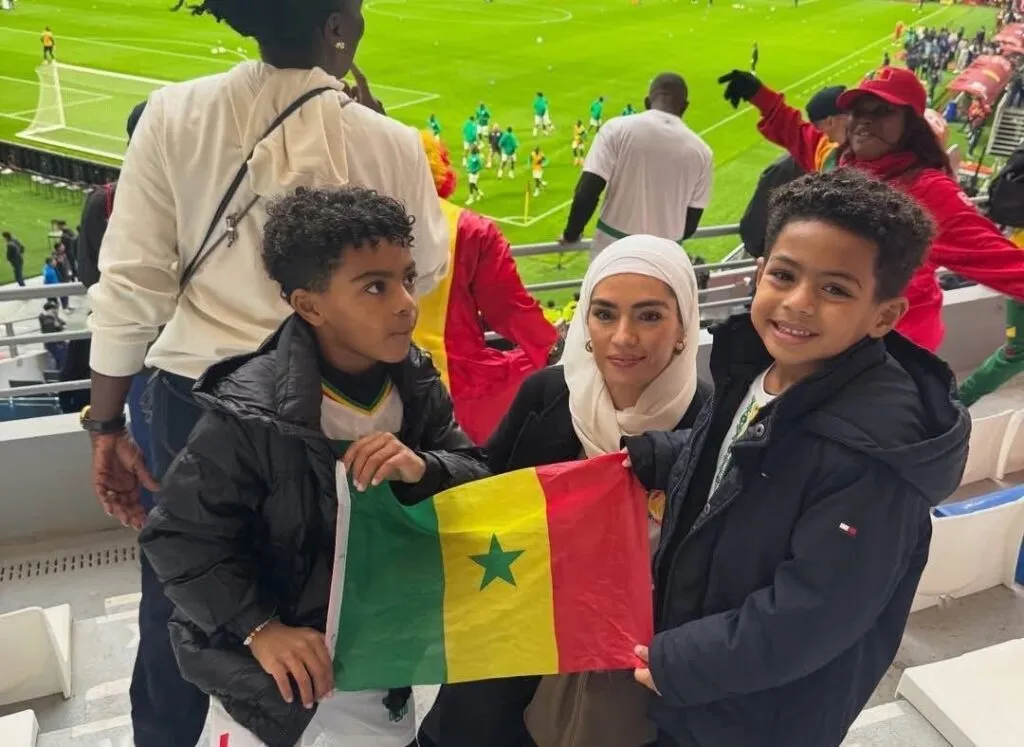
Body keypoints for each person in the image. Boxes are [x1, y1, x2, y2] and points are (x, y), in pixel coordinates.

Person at [83, 2, 450, 745]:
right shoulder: (386, 138)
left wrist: (106, 422)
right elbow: (430, 266)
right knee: (335, 591)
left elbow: (131, 287)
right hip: (343, 408)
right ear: (337, 27)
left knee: (183, 604)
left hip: (194, 405)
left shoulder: (173, 113)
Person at [624, 170, 969, 747]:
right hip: (707, 687)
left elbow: (815, 612)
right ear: (759, 273)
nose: (799, 303)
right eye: (784, 275)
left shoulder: (871, 455)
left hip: (765, 716)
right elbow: (740, 459)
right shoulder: (760, 367)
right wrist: (660, 455)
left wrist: (682, 662)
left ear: (884, 316)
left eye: (836, 289)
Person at [139, 187, 487, 747]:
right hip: (276, 687)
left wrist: (424, 468)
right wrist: (260, 628)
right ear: (309, 306)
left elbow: (476, 478)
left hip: (380, 661)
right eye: (375, 286)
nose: (406, 303)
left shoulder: (415, 382)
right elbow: (178, 538)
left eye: (407, 278)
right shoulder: (249, 412)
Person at [420, 234, 710, 747]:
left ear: (684, 326)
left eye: (649, 316)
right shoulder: (549, 394)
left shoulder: (712, 420)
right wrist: (422, 470)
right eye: (604, 314)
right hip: (519, 636)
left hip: (626, 669)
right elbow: (486, 484)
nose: (623, 336)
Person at [720, 65, 1024, 351]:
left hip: (896, 350)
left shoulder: (930, 192)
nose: (865, 120)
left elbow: (1006, 265)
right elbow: (798, 134)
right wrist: (759, 95)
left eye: (882, 111)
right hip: (836, 339)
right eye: (858, 111)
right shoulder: (838, 162)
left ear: (910, 126)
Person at [415, 132, 559, 443]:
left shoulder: (354, 226)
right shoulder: (469, 229)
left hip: (364, 387)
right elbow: (509, 309)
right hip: (456, 386)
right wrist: (554, 347)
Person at [562, 73, 712, 260]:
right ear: (685, 106)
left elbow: (587, 192)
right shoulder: (702, 152)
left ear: (647, 102)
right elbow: (690, 224)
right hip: (664, 258)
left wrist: (571, 234)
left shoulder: (615, 129)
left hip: (613, 251)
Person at [738, 85, 847, 258]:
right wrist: (757, 92)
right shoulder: (825, 148)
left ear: (831, 122)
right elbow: (791, 127)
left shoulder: (864, 156)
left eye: (817, 126)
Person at [39, 300, 67, 369]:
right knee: (62, 357)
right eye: (54, 309)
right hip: (54, 343)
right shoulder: (48, 320)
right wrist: (58, 324)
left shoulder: (53, 318)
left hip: (58, 342)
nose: (56, 311)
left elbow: (63, 323)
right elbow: (56, 329)